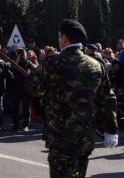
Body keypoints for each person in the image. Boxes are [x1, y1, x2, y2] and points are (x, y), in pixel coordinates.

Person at [25, 19, 118, 178]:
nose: (58, 39)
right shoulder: (97, 65)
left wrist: (34, 72)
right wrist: (111, 130)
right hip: (85, 136)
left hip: (61, 136)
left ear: (65, 38)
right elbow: (107, 99)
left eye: (59, 36)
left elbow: (34, 89)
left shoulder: (53, 63)